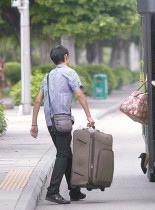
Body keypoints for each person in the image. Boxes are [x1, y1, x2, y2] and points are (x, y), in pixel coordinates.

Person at [30, 45, 95, 204]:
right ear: (66, 57)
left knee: (66, 153)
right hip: (63, 121)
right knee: (63, 154)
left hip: (50, 122)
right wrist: (89, 116)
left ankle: (74, 190)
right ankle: (53, 191)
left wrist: (34, 124)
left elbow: (38, 100)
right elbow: (79, 94)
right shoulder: (69, 73)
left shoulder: (48, 76)